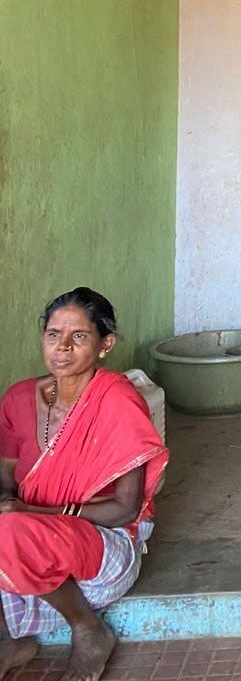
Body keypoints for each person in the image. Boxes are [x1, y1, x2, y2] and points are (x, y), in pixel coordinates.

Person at [0, 288, 168, 681]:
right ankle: (10, 640)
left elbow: (125, 509)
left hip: (101, 551)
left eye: (79, 336)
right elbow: (5, 475)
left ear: (105, 344)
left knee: (11, 533)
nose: (62, 347)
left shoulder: (116, 401)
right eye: (53, 334)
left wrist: (31, 516)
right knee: (9, 532)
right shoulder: (19, 398)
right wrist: (10, 504)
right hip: (24, 547)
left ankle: (87, 628)